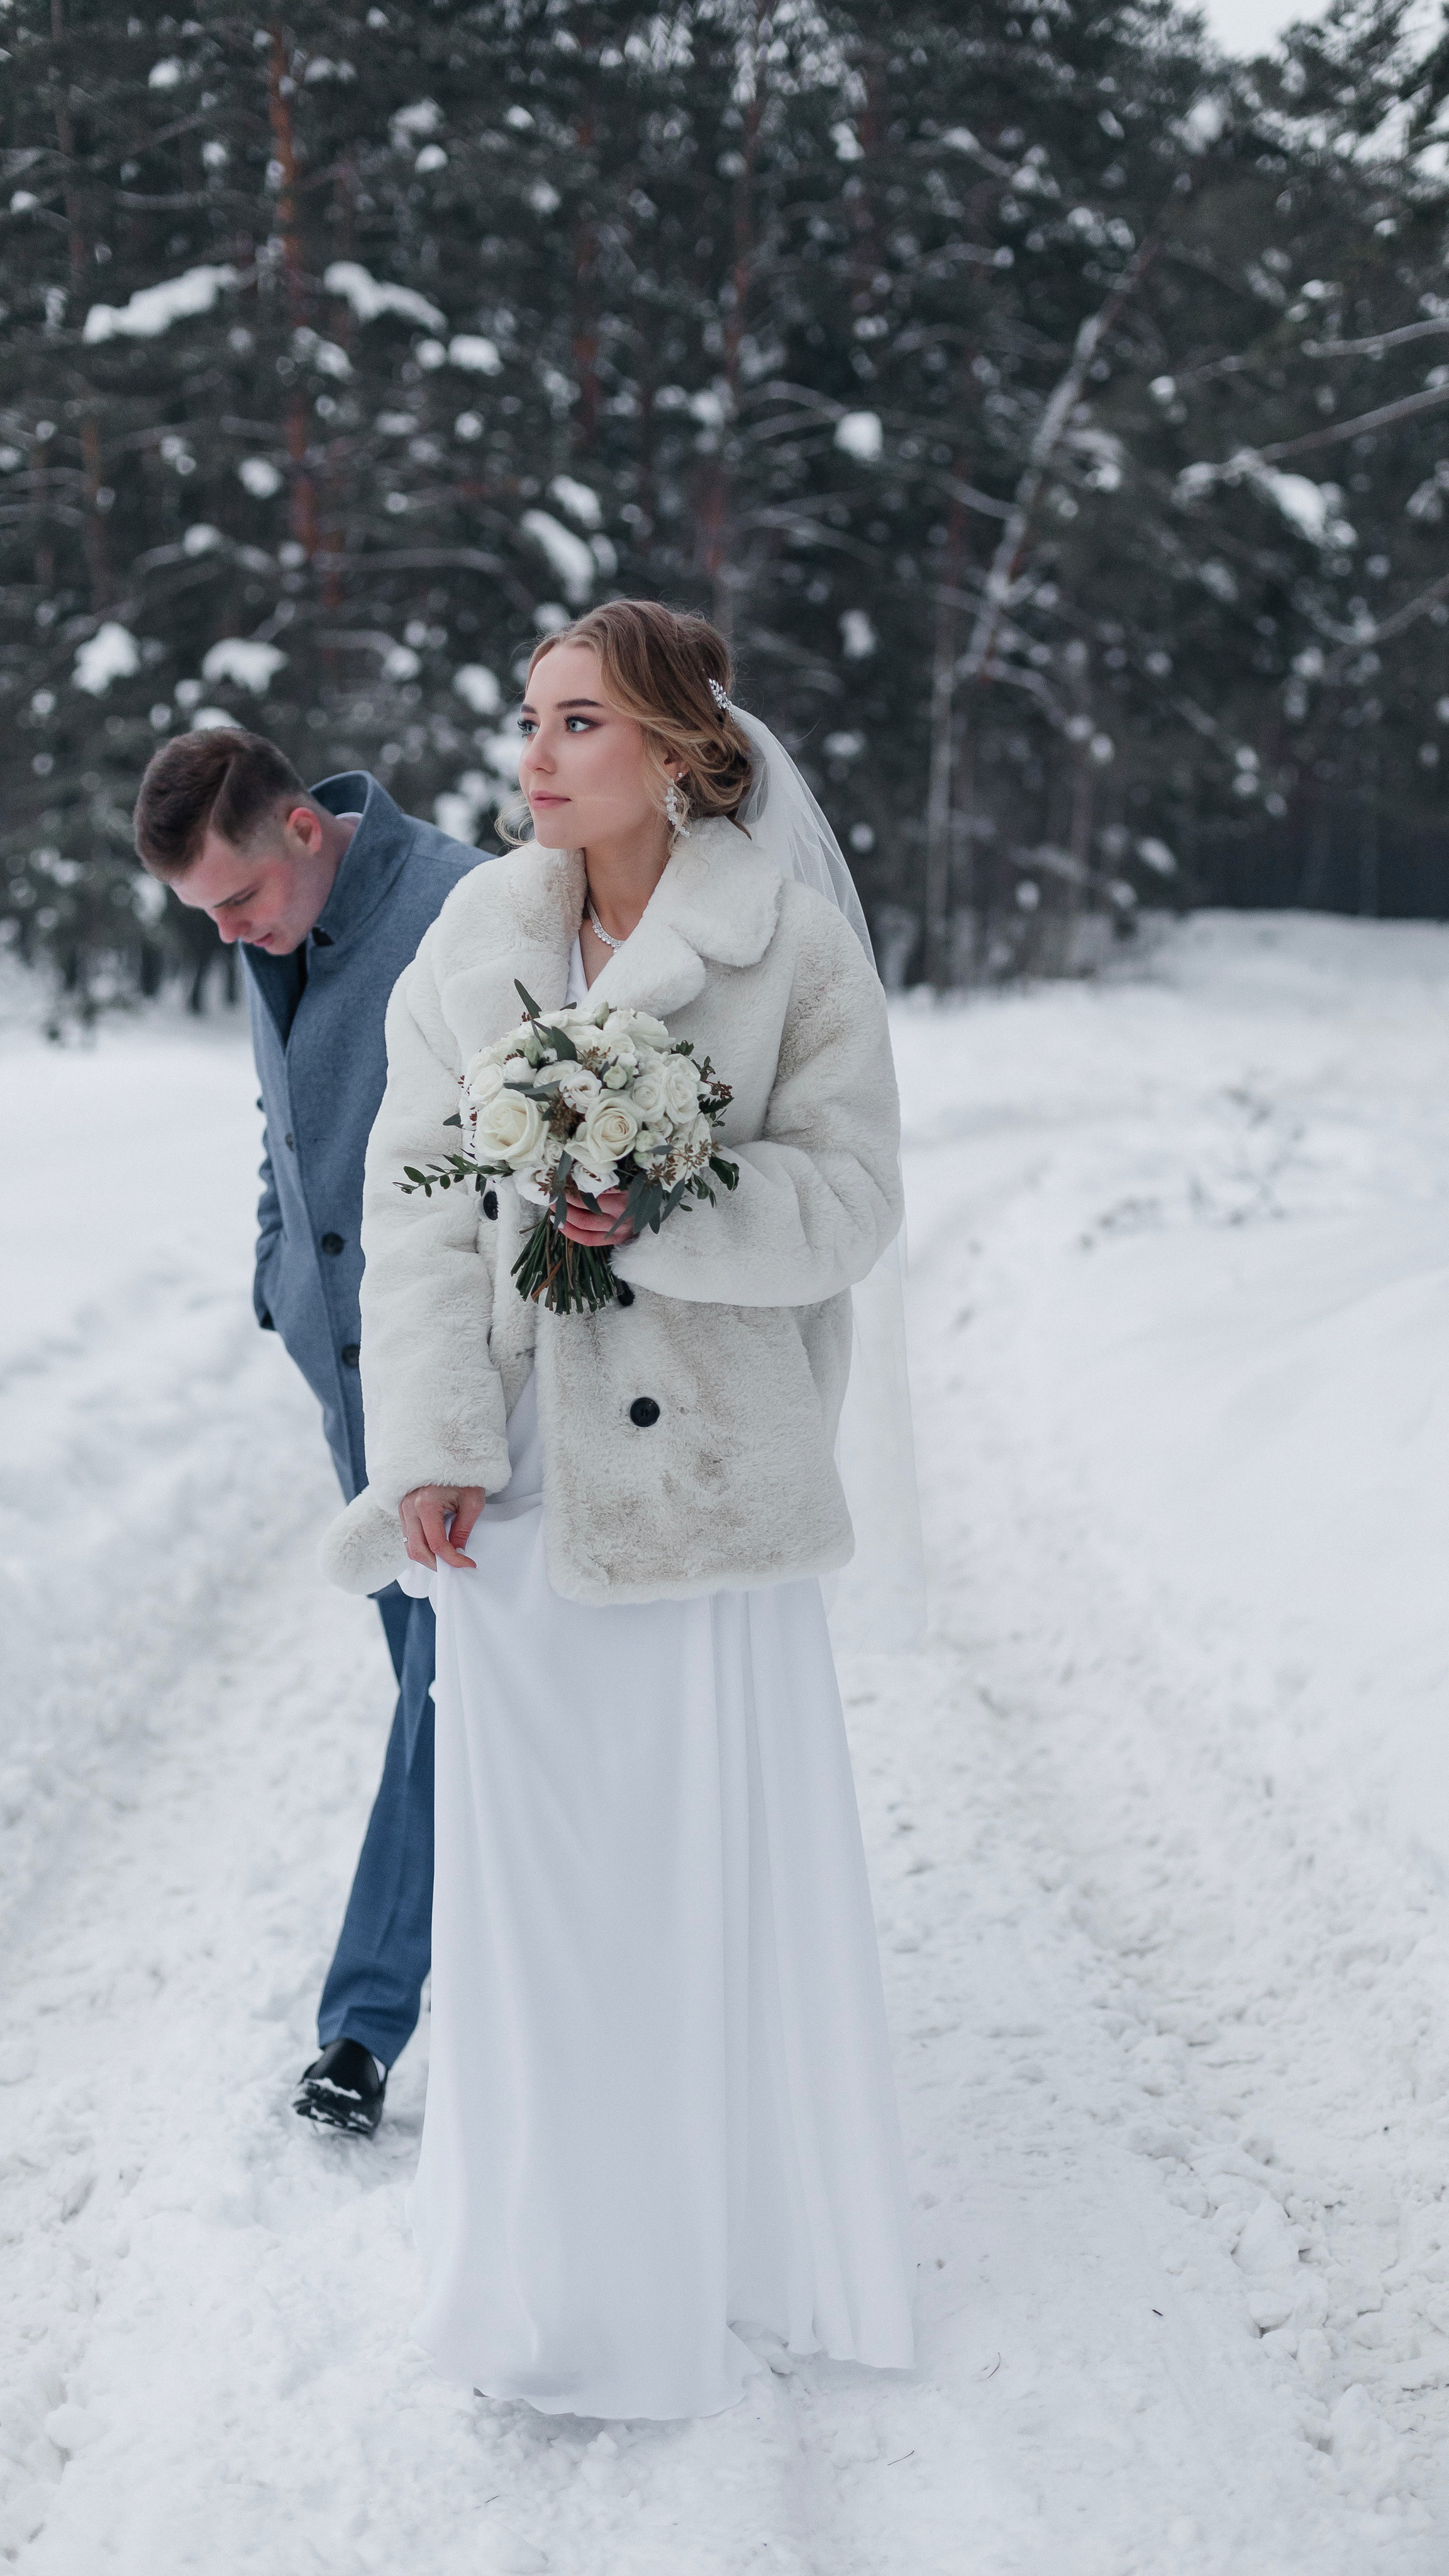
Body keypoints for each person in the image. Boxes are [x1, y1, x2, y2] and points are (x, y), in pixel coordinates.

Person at [323, 599, 914, 2419]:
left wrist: (666, 1204)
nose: (532, 755)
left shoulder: (787, 949)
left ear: (676, 749)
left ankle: (719, 2250)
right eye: (528, 719)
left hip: (708, 1497)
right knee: (543, 1899)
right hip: (515, 1496)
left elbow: (850, 1204)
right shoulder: (470, 942)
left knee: (688, 1881)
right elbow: (421, 1210)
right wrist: (428, 1446)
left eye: (576, 723)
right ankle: (548, 2281)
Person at [133, 728, 484, 2135]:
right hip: (346, 1391)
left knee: (451, 1700)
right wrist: (279, 1269)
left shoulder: (461, 906)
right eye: (206, 915)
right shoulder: (262, 913)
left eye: (233, 902)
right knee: (450, 1703)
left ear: (301, 826)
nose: (227, 934)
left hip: (456, 1393)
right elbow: (286, 1121)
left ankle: (365, 2026)